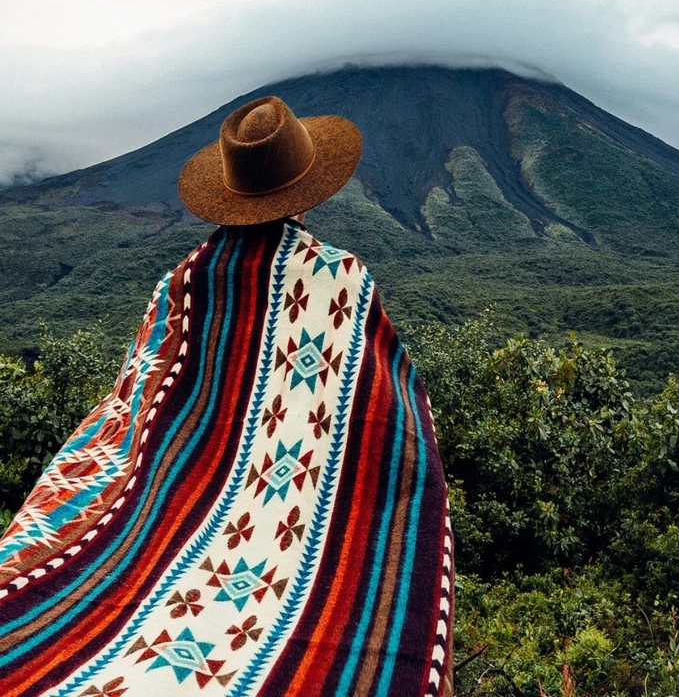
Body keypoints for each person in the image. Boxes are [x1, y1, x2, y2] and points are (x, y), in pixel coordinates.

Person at [0, 96, 454, 696]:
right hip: (286, 539)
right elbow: (383, 418)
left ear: (231, 191)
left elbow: (136, 404)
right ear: (310, 186)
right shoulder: (340, 278)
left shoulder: (183, 285)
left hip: (176, 514)